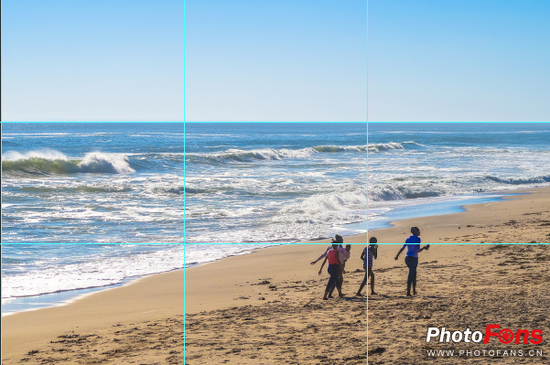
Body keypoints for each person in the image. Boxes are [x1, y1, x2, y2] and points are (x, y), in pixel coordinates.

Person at [394, 227, 430, 296]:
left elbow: (403, 248)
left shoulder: (408, 238)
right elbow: (417, 250)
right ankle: (408, 292)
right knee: (411, 275)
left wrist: (397, 256)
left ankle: (414, 291)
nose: (419, 232)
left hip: (407, 258)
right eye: (418, 231)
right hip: (413, 258)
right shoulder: (417, 239)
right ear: (416, 232)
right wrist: (424, 248)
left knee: (413, 273)